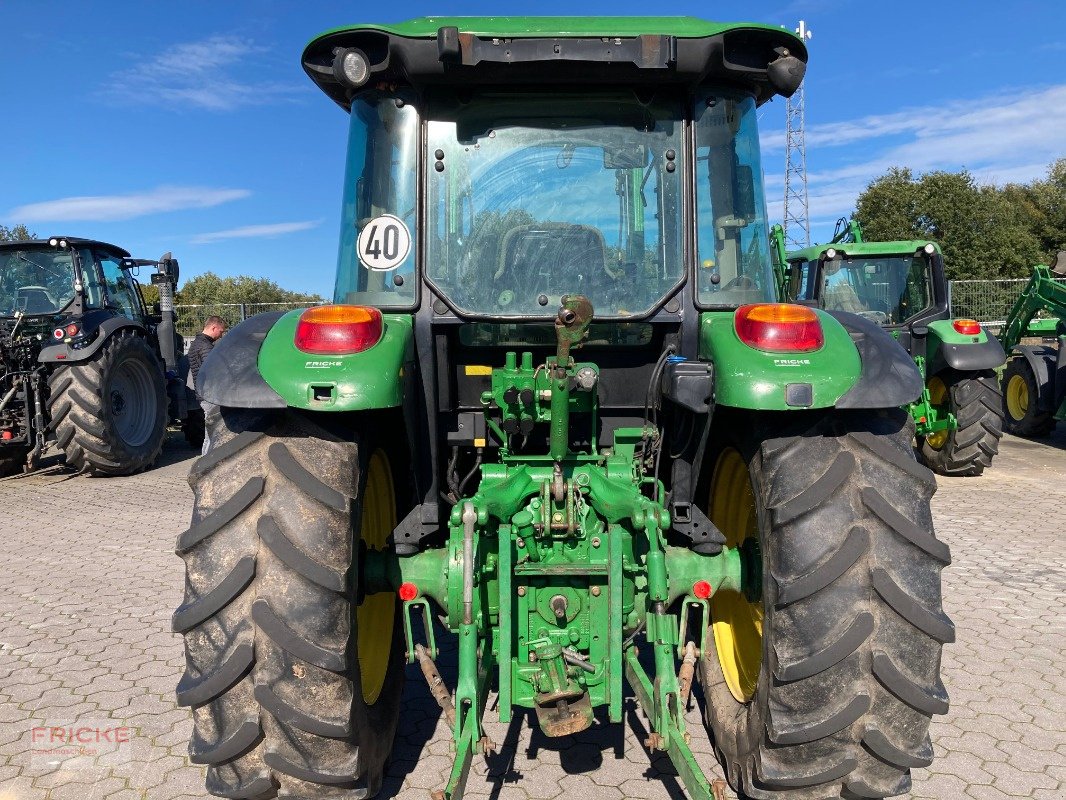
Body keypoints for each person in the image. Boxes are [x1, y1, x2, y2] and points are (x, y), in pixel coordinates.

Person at [187, 316, 227, 454]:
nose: (221, 335)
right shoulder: (205, 346)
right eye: (221, 332)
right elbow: (213, 369)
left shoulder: (197, 343)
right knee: (213, 432)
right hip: (209, 395)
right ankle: (207, 461)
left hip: (203, 393)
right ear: (213, 327)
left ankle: (205, 458)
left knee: (209, 431)